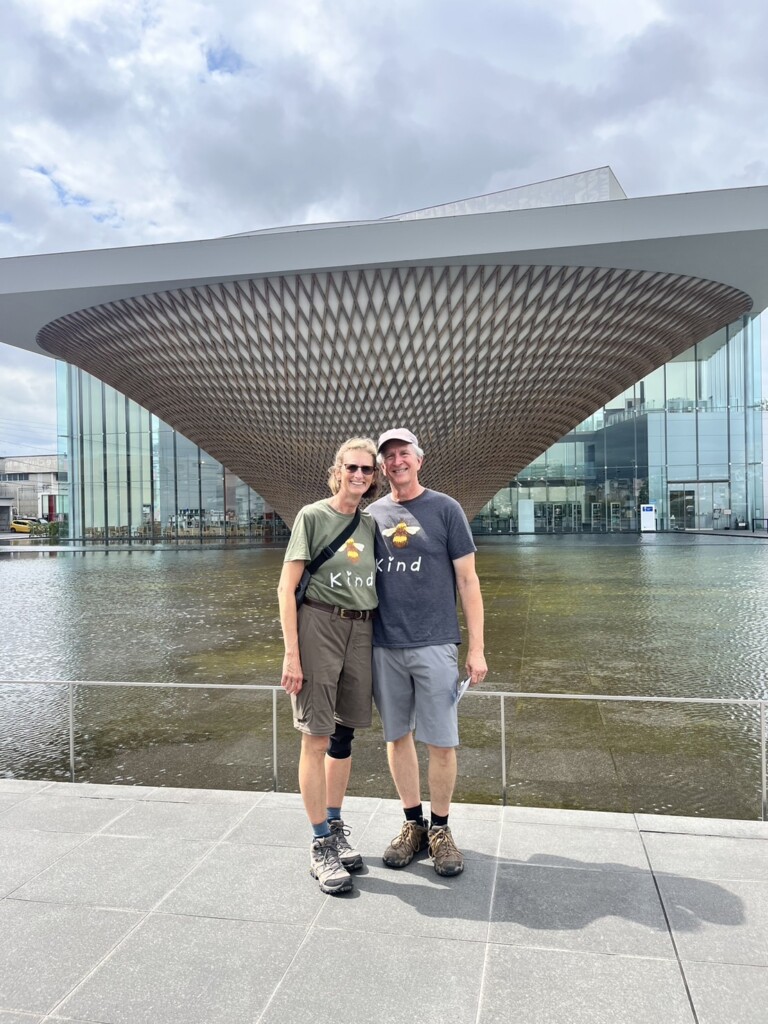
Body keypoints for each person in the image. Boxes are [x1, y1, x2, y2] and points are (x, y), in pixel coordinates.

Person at [367, 428, 487, 876]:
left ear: (419, 460)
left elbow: (469, 582)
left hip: (435, 642)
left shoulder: (446, 509)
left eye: (404, 454)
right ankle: (412, 824)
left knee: (441, 741)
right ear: (382, 467)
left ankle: (440, 829)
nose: (397, 461)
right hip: (384, 644)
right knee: (397, 737)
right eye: (389, 456)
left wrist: (476, 648)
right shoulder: (371, 514)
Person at [277, 437, 379, 895]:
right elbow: (286, 588)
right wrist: (292, 653)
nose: (360, 476)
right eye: (352, 468)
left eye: (367, 470)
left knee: (344, 735)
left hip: (361, 630)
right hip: (319, 624)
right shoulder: (312, 516)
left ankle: (335, 826)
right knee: (315, 736)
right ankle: (320, 844)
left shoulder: (371, 525)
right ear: (337, 470)